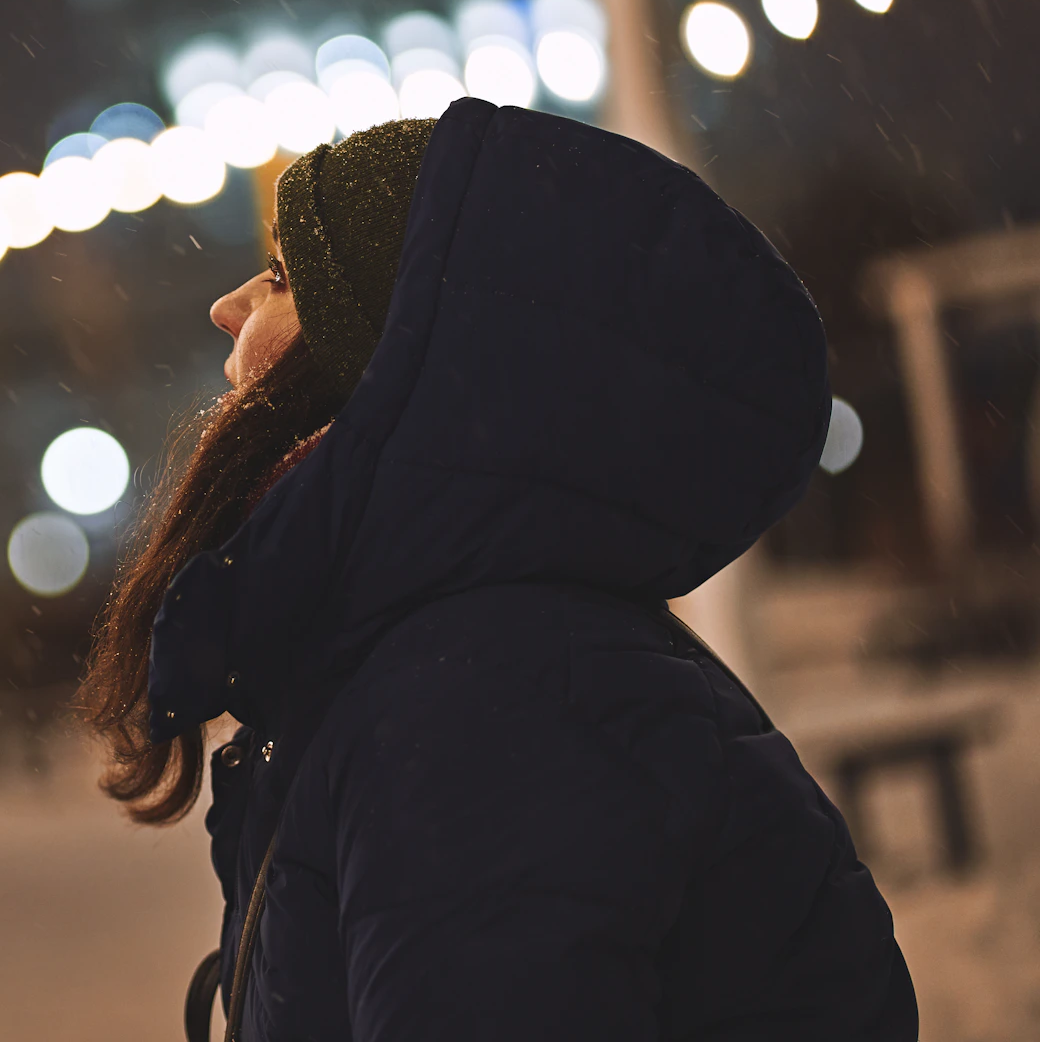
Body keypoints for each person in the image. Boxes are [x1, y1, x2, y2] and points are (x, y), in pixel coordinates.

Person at [79, 99, 916, 1040]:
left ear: (386, 362)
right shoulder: (471, 664)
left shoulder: (483, 706)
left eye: (281, 277)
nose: (226, 306)